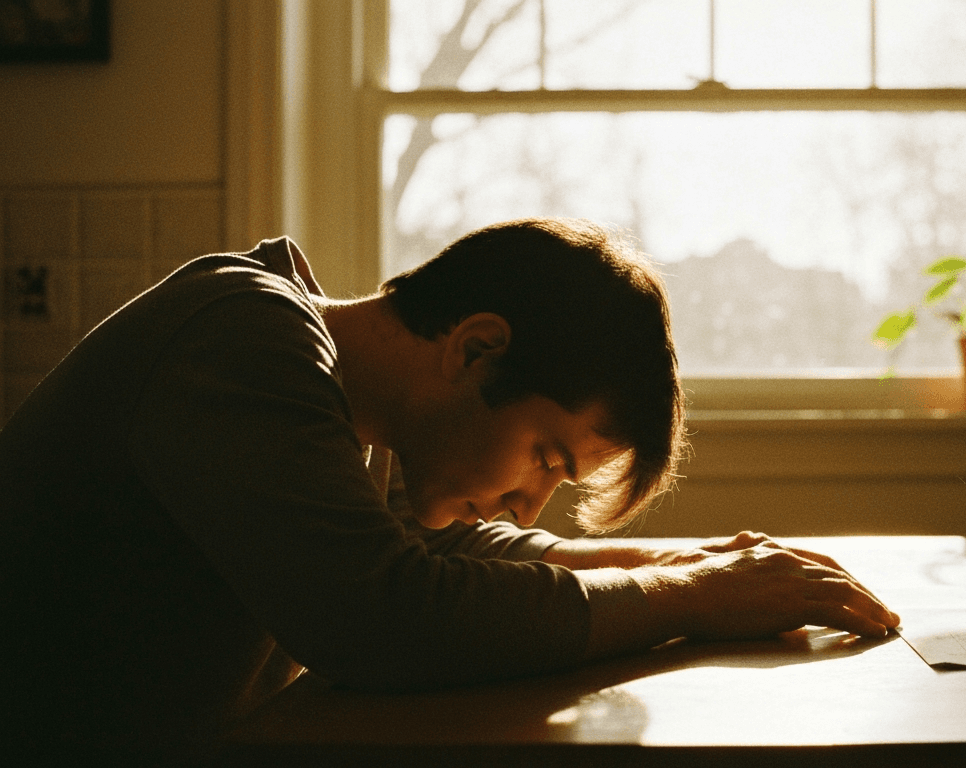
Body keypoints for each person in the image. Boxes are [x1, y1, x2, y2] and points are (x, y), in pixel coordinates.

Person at [0, 217, 899, 760]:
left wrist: (698, 564)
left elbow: (450, 547)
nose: (530, 501)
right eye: (546, 457)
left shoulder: (352, 408)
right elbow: (383, 615)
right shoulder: (244, 339)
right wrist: (695, 595)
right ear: (475, 349)